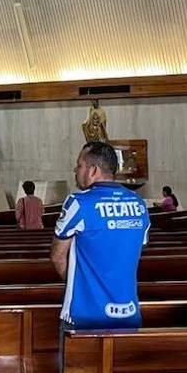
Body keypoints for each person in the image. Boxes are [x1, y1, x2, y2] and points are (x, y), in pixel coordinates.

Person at [51, 141, 151, 331]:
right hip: (128, 312)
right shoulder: (139, 205)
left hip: (85, 315)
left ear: (93, 170)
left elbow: (57, 256)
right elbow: (134, 251)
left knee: (78, 362)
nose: (75, 169)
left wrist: (81, 284)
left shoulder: (78, 203)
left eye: (79, 165)